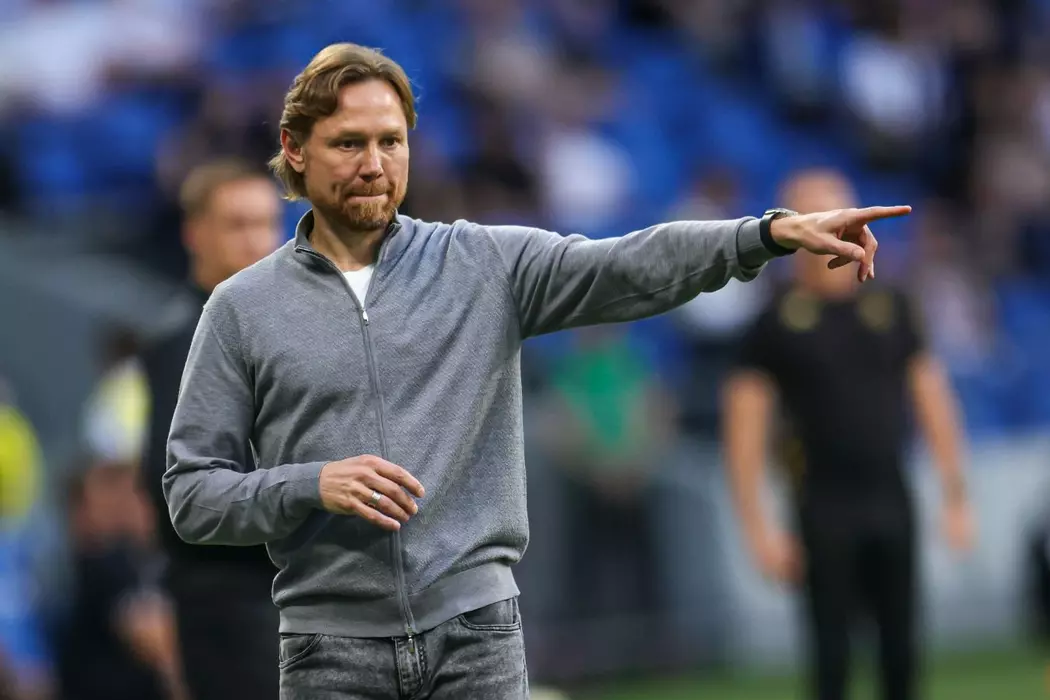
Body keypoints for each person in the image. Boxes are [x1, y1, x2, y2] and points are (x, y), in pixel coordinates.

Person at [162, 43, 909, 699]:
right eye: (349, 143)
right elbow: (191, 495)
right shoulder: (241, 308)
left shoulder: (480, 263)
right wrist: (310, 484)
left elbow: (627, 265)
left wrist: (766, 234)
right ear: (294, 149)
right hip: (329, 654)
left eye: (392, 141)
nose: (374, 165)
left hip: (477, 638)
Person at [721, 168, 974, 700]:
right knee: (830, 656)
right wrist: (758, 529)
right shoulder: (774, 323)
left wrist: (955, 495)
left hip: (890, 493)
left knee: (901, 651)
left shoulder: (892, 304)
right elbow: (744, 429)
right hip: (821, 503)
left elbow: (932, 399)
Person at [140, 159, 283, 699]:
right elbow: (175, 486)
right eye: (237, 224)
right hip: (232, 600)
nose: (257, 241)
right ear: (194, 233)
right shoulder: (183, 340)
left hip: (276, 592)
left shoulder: (266, 328)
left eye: (265, 223)